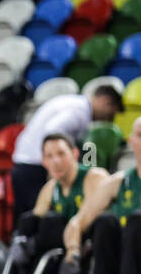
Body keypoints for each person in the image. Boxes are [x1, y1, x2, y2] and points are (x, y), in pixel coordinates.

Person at [11, 133, 109, 274]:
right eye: (49, 156)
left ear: (75, 154)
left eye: (61, 154)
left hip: (89, 244)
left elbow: (90, 221)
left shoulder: (94, 178)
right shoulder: (49, 189)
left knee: (50, 223)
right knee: (28, 223)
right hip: (58, 248)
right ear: (43, 161)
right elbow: (34, 221)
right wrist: (20, 238)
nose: (55, 161)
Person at [61, 117, 141, 274]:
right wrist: (73, 250)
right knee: (105, 221)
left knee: (137, 220)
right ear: (131, 142)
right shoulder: (118, 182)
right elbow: (77, 222)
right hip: (121, 256)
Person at [10, 85, 123, 218]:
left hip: (25, 163)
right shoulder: (79, 111)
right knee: (37, 219)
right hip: (34, 166)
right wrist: (54, 166)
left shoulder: (75, 103)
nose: (108, 119)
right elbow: (52, 132)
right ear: (104, 101)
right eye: (111, 113)